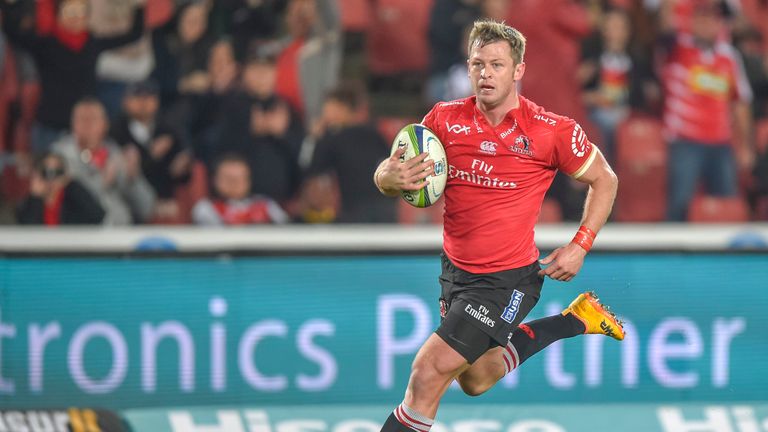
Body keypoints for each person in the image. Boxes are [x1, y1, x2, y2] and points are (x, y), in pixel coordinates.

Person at [372, 20, 623, 429]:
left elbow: (605, 179)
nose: (485, 74)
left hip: (507, 278)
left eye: (497, 65)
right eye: (477, 64)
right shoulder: (443, 119)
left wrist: (581, 244)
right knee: (475, 378)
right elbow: (390, 169)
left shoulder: (550, 131)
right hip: (455, 273)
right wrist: (388, 177)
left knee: (428, 372)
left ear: (518, 70)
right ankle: (575, 320)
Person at [0, 0, 146, 152]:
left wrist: (139, 6)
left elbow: (134, 34)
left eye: (81, 12)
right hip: (50, 128)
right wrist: (9, 4)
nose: (76, 17)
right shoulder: (45, 43)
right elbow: (12, 32)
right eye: (71, 12)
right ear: (59, 15)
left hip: (83, 131)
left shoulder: (92, 43)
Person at [658, 0, 754, 221]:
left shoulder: (729, 57)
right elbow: (664, 24)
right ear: (693, 21)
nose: (709, 23)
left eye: (714, 18)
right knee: (679, 205)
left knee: (727, 205)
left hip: (721, 145)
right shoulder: (677, 47)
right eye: (703, 17)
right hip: (685, 142)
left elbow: (740, 103)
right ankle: (670, 254)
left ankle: (730, 257)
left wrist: (746, 146)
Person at [52, 97, 155, 225]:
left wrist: (132, 178)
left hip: (121, 234)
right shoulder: (60, 157)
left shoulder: (115, 154)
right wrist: (103, 182)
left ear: (105, 125)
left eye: (93, 119)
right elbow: (71, 200)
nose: (87, 124)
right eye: (82, 119)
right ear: (73, 124)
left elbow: (147, 208)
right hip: (79, 235)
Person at [304, 86, 396, 223]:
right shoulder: (376, 135)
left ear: (343, 108)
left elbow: (312, 172)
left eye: (330, 108)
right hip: (387, 212)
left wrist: (315, 138)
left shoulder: (333, 138)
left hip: (353, 215)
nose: (325, 114)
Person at [191, 153, 289, 225]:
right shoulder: (206, 208)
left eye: (239, 178)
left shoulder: (266, 205)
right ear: (215, 180)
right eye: (229, 179)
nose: (235, 184)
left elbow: (287, 229)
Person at [16, 152, 105, 225]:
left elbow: (98, 215)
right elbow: (26, 228)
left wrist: (71, 184)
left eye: (57, 172)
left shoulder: (72, 198)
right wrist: (35, 197)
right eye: (46, 172)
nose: (51, 178)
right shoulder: (31, 202)